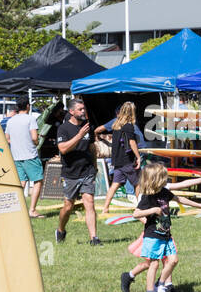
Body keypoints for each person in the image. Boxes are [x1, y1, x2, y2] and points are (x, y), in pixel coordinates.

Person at [120, 163, 201, 292]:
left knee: (173, 260)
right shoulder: (147, 197)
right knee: (153, 264)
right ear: (156, 179)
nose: (166, 179)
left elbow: (180, 199)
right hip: (153, 235)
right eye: (164, 177)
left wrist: (200, 205)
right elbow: (136, 213)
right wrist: (153, 210)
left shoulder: (164, 192)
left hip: (166, 234)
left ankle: (160, 285)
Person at [56, 98, 101, 245]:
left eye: (84, 109)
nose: (83, 111)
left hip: (87, 171)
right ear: (72, 111)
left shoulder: (88, 126)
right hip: (70, 174)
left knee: (89, 202)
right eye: (80, 109)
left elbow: (92, 147)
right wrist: (79, 135)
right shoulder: (63, 129)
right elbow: (63, 149)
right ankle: (60, 230)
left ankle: (93, 238)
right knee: (68, 206)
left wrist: (94, 166)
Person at [100, 102, 142, 214]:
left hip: (118, 161)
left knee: (114, 185)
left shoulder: (116, 125)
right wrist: (138, 157)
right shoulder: (128, 126)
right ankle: (139, 208)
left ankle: (105, 208)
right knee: (138, 183)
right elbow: (132, 142)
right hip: (127, 160)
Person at [5, 99, 44, 218]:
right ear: (27, 106)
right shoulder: (30, 118)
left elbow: (7, 138)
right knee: (38, 181)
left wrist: (17, 143)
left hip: (16, 155)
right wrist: (36, 142)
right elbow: (34, 137)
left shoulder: (10, 121)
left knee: (21, 183)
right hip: (30, 154)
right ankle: (32, 210)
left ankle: (15, 209)